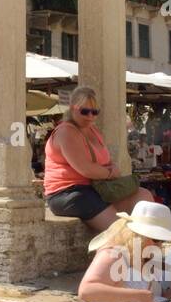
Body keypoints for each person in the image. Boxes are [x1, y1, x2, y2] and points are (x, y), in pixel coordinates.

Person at [44, 86, 156, 234]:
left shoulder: (93, 130)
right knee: (120, 230)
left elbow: (105, 160)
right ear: (72, 108)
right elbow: (85, 169)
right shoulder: (66, 132)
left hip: (97, 188)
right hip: (69, 193)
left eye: (94, 112)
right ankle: (132, 246)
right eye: (84, 111)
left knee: (143, 196)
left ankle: (148, 242)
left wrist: (109, 170)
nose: (90, 116)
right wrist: (111, 173)